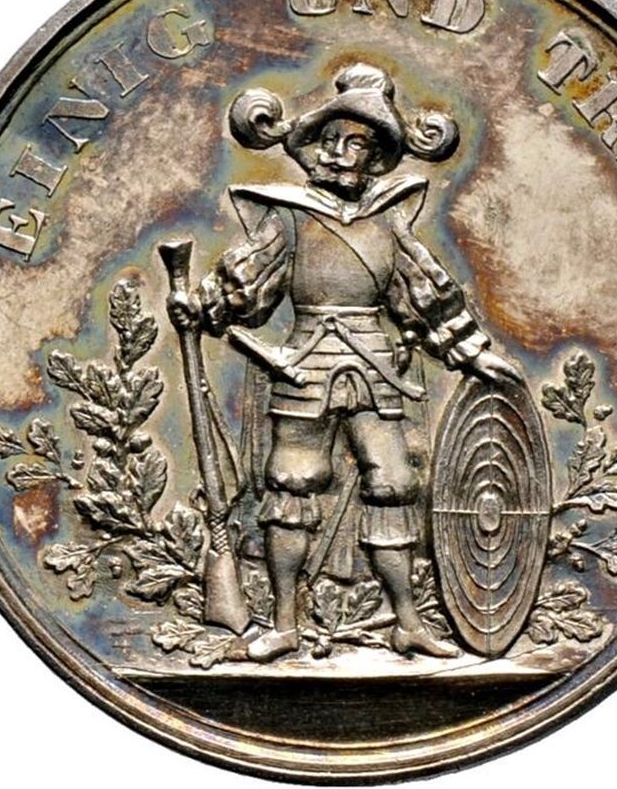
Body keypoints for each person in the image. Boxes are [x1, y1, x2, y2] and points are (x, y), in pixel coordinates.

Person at [169, 64, 517, 662]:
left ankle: (407, 623)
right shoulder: (289, 217)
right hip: (304, 363)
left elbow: (424, 293)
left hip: (377, 365)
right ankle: (284, 624)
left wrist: (472, 352)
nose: (337, 153)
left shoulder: (389, 221)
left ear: (376, 156)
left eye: (354, 143)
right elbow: (246, 285)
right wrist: (200, 305)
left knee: (394, 485)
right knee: (292, 485)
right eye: (330, 139)